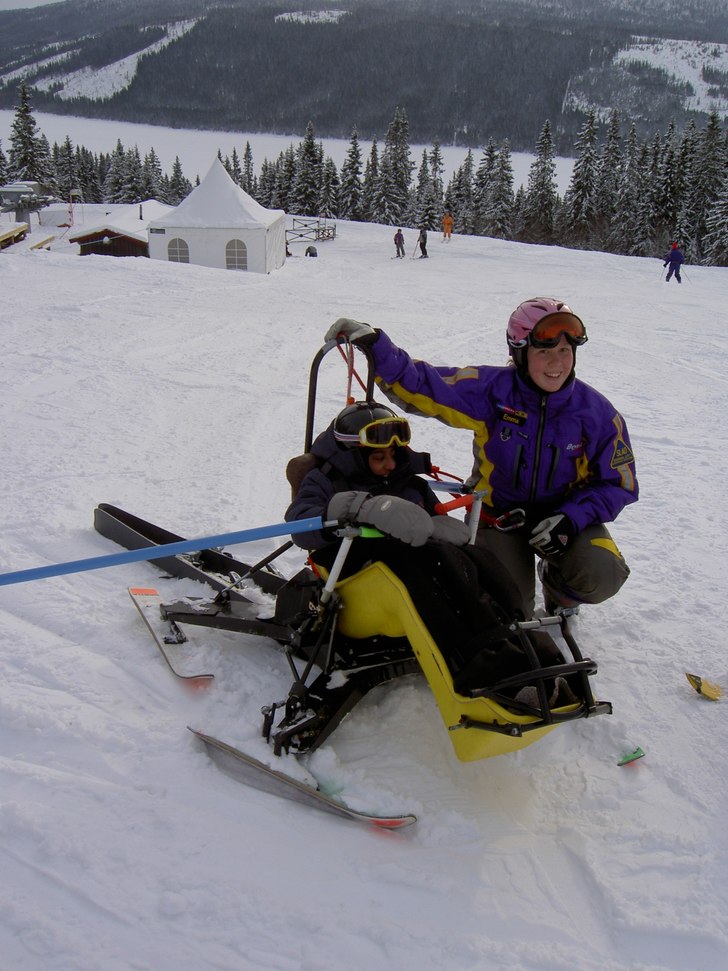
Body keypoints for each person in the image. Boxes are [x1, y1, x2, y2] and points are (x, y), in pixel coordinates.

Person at [324, 298, 638, 619]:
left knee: (603, 572)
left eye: (565, 351)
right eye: (544, 351)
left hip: (564, 523)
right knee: (507, 610)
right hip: (500, 522)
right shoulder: (493, 390)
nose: (556, 362)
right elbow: (425, 384)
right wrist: (377, 347)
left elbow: (619, 483)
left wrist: (571, 518)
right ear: (519, 352)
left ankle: (560, 593)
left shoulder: (598, 414)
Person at [284, 401, 567, 695]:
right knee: (426, 565)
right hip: (351, 574)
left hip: (410, 562)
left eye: (393, 456)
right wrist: (359, 507)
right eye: (379, 457)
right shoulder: (325, 480)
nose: (390, 465)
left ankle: (522, 638)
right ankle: (477, 661)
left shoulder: (410, 483)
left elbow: (433, 519)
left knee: (473, 558)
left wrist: (440, 526)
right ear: (353, 455)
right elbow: (299, 523)